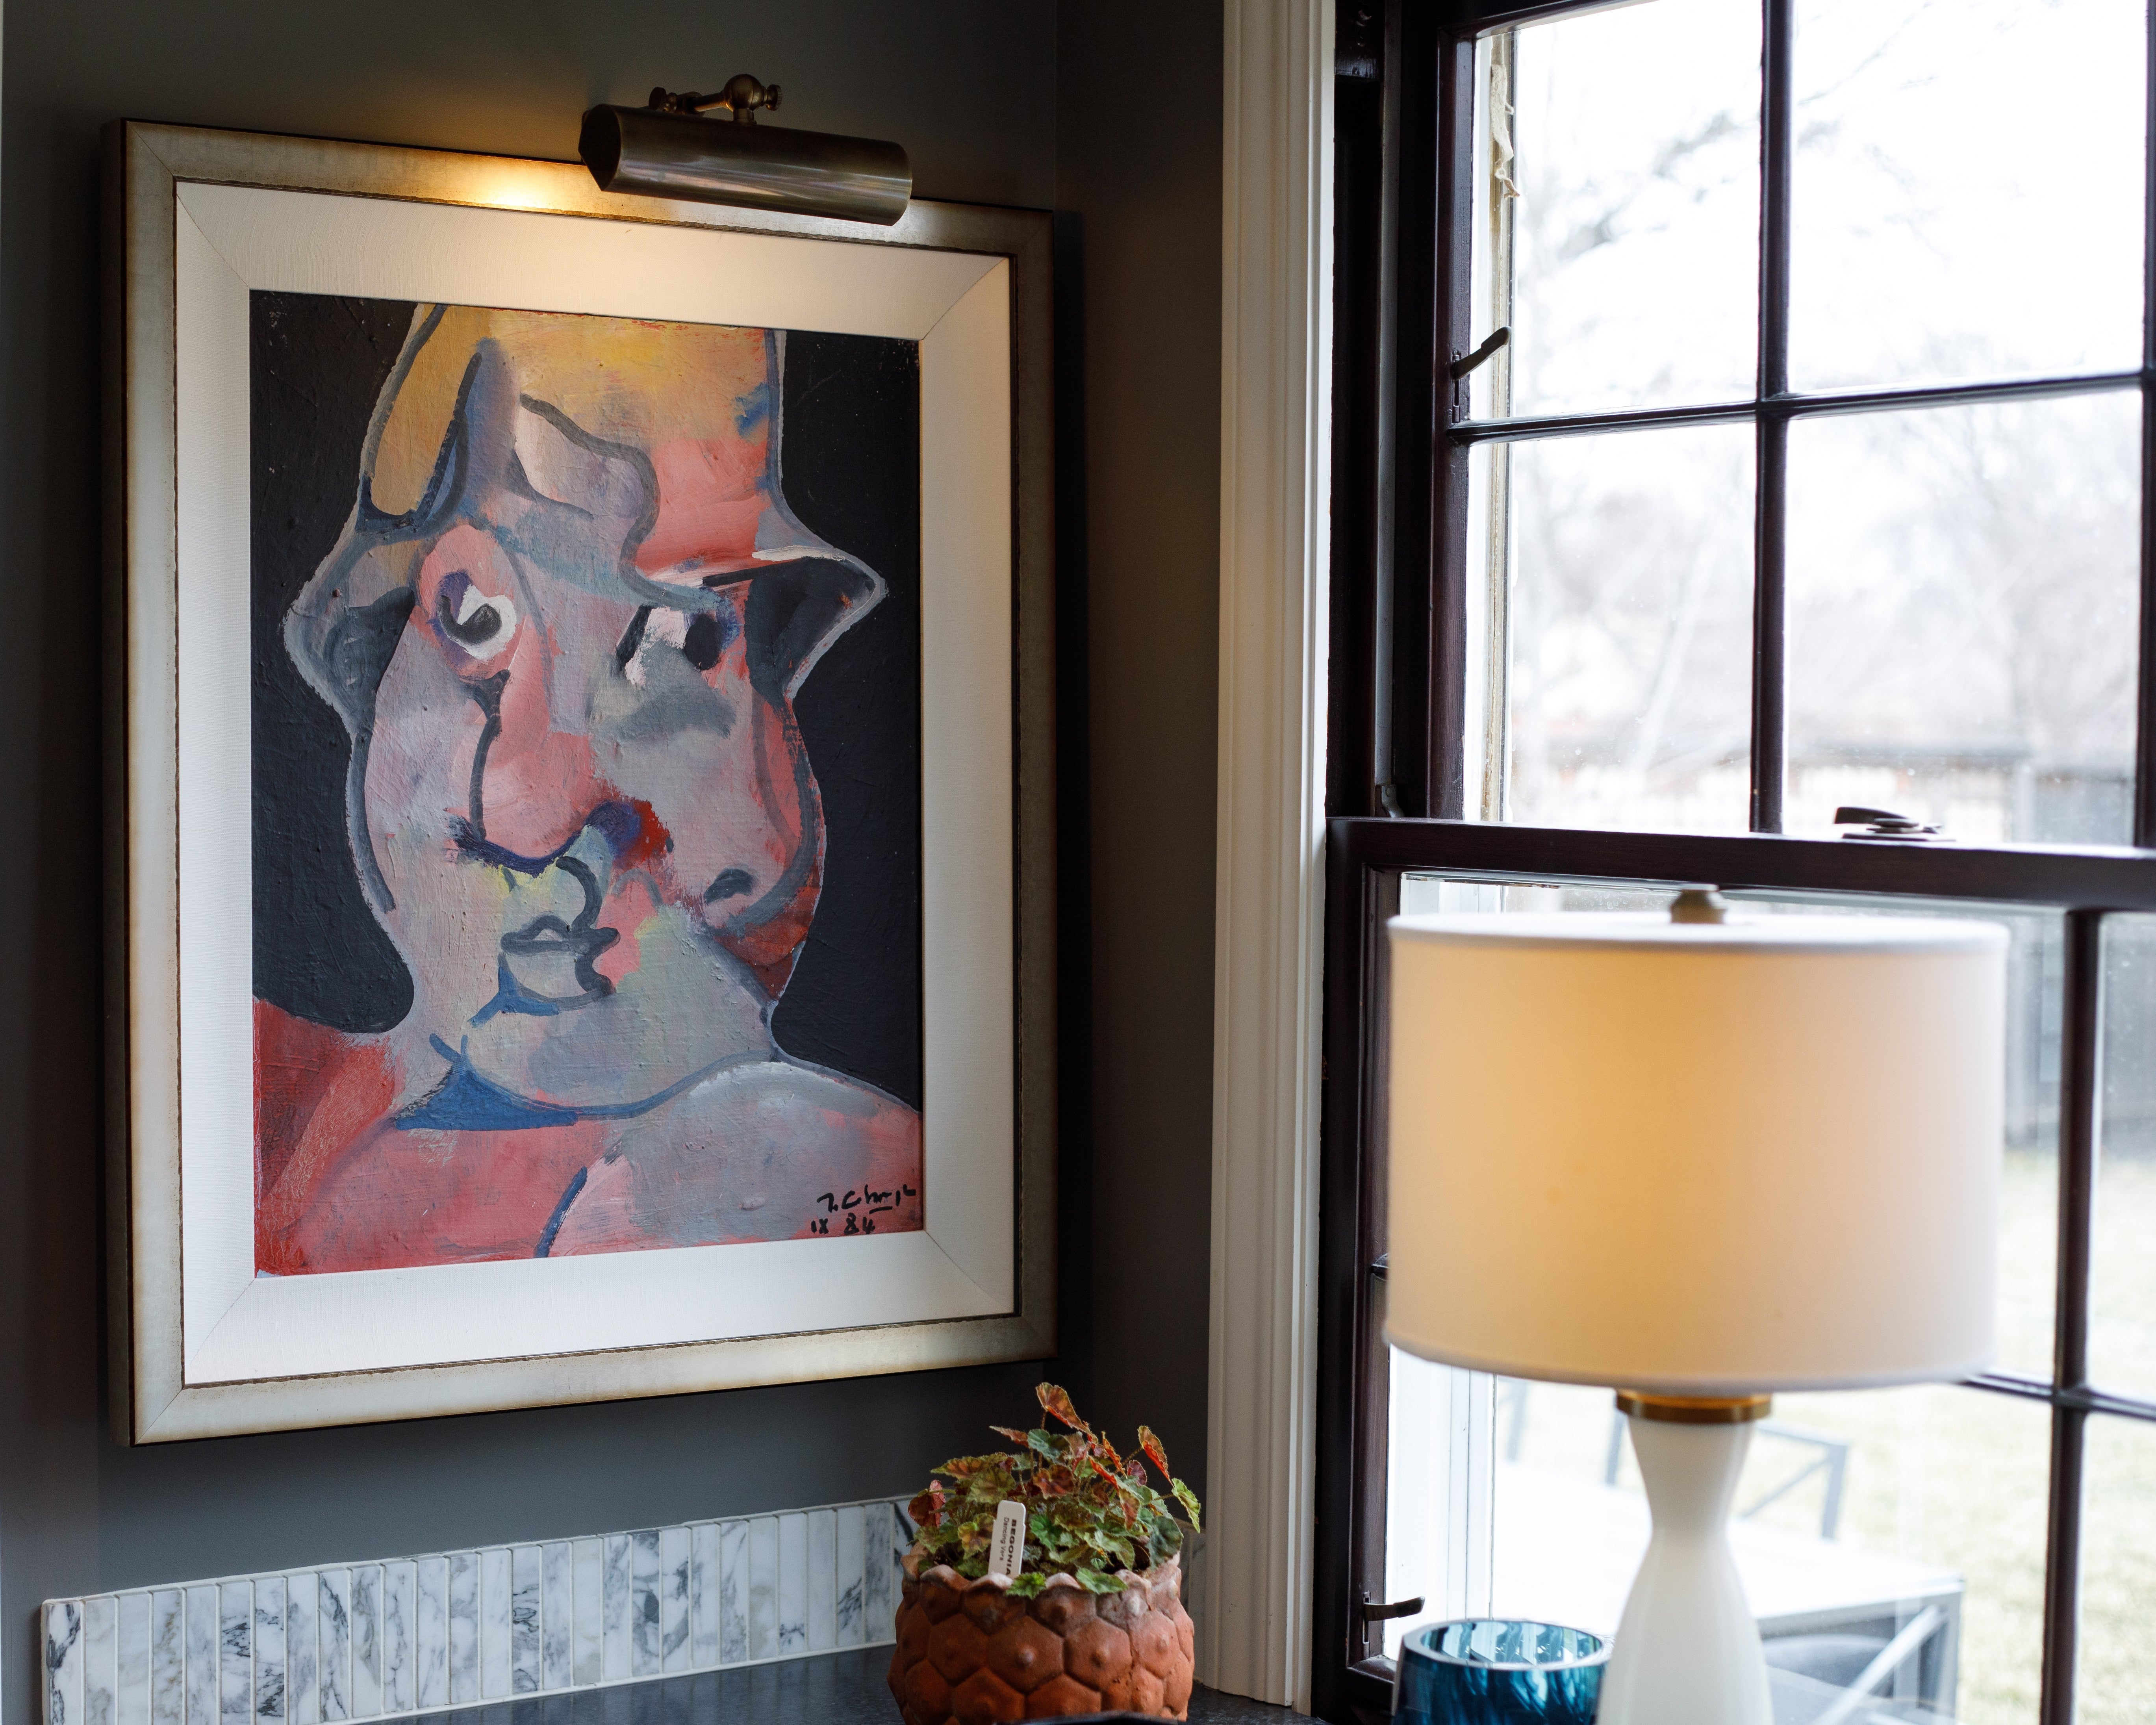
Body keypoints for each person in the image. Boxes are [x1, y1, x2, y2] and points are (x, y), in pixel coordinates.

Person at [254, 304, 922, 1274]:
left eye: (674, 644)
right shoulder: (239, 1118)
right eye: (473, 621)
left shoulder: (816, 1183)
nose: (531, 810)